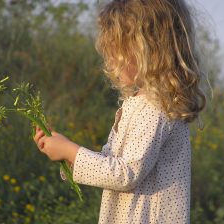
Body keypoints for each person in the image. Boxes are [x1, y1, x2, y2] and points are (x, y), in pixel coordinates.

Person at [33, 0, 207, 223]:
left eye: (118, 52)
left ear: (149, 50)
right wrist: (65, 154)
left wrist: (70, 151)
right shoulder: (141, 103)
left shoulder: (155, 108)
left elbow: (126, 174)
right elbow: (112, 163)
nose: (111, 61)